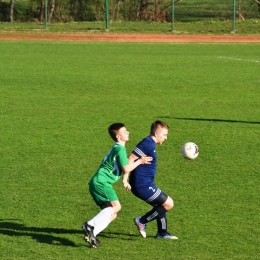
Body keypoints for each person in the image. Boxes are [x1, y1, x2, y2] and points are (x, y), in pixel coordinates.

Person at [82, 123, 153, 248]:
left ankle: (92, 233)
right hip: (101, 182)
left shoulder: (117, 148)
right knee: (116, 206)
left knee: (112, 214)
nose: (128, 132)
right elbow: (126, 168)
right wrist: (140, 161)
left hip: (97, 182)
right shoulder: (120, 148)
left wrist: (125, 181)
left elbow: (121, 167)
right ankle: (90, 225)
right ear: (119, 137)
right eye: (125, 132)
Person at [125, 120, 178, 240]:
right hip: (141, 185)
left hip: (145, 183)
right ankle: (141, 221)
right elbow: (130, 159)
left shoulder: (151, 144)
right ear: (156, 133)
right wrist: (125, 179)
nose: (166, 138)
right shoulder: (147, 143)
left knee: (160, 206)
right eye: (164, 135)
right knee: (169, 204)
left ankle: (162, 233)